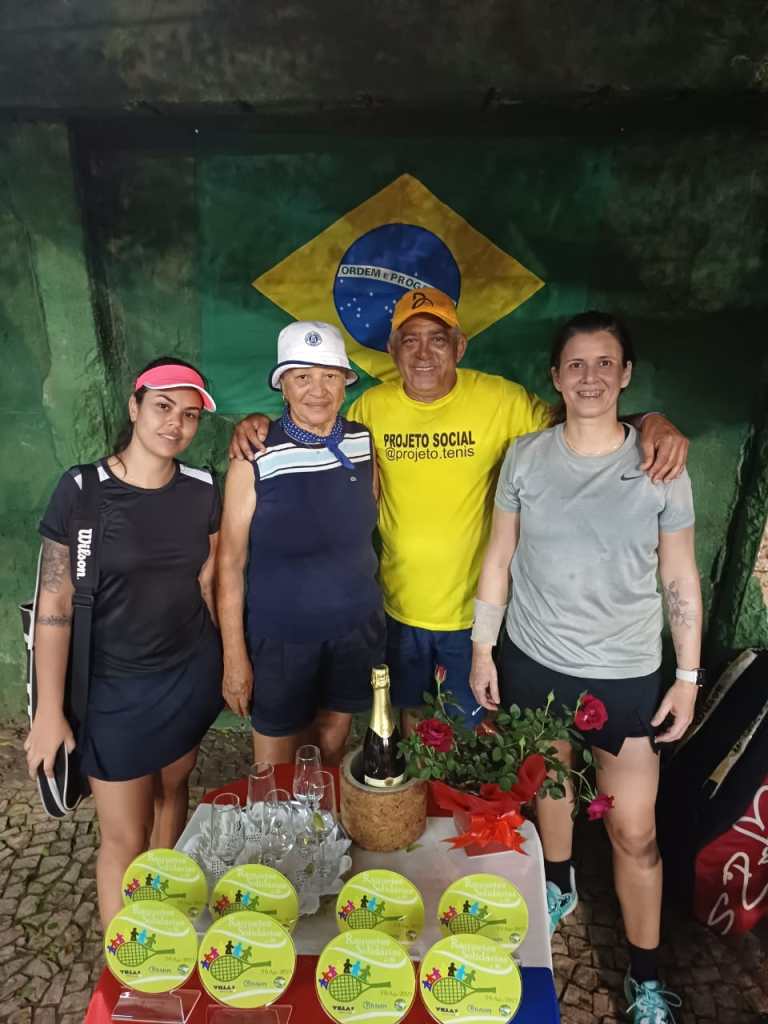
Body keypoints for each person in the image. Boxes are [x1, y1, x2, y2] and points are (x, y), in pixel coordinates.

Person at [230, 288, 689, 728]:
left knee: (468, 727)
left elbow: (581, 418)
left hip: (473, 614)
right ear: (392, 350)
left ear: (460, 346)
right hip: (395, 607)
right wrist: (257, 425)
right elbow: (312, 431)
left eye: (437, 339)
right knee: (408, 722)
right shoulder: (370, 408)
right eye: (410, 340)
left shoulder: (502, 400)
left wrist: (650, 421)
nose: (423, 353)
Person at [469, 312, 702, 1024]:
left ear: (626, 375)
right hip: (533, 659)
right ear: (556, 377)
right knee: (551, 782)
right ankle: (558, 879)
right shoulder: (525, 457)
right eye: (576, 364)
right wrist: (482, 647)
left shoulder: (661, 466)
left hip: (626, 675)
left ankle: (646, 979)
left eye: (605, 363)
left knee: (635, 831)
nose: (591, 376)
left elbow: (680, 576)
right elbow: (500, 556)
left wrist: (687, 678)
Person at [25, 357, 223, 928]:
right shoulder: (82, 491)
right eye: (162, 407)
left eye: (190, 415)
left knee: (172, 790)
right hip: (113, 692)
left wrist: (230, 663)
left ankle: (165, 918)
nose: (175, 423)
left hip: (188, 675)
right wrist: (49, 711)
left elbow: (210, 582)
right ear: (134, 407)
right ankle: (125, 963)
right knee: (124, 839)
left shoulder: (203, 490)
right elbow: (54, 605)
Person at [216, 321, 383, 765]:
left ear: (345, 384)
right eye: (302, 377)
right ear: (283, 386)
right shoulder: (254, 454)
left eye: (330, 376)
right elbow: (229, 563)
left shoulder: (363, 441)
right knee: (275, 770)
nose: (317, 390)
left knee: (331, 747)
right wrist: (234, 657)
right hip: (282, 639)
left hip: (353, 630)